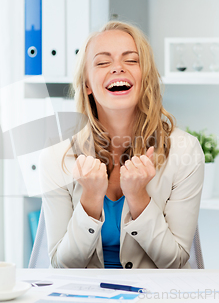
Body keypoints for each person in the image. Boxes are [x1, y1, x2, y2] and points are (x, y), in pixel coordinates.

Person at [39, 21, 205, 269]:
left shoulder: (185, 151)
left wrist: (139, 198)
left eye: (131, 60)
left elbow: (175, 261)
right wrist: (91, 200)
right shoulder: (56, 156)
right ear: (87, 85)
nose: (117, 68)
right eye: (103, 62)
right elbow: (62, 265)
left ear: (145, 77)